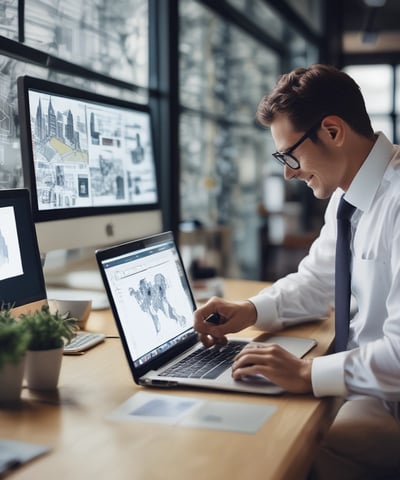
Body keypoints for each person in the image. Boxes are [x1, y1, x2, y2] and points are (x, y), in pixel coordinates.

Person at [193, 64, 400, 479]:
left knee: (273, 442)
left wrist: (308, 372)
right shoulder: (349, 196)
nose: (287, 172)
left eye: (291, 154)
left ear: (332, 131)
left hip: (389, 398)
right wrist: (249, 310)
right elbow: (316, 281)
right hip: (372, 382)